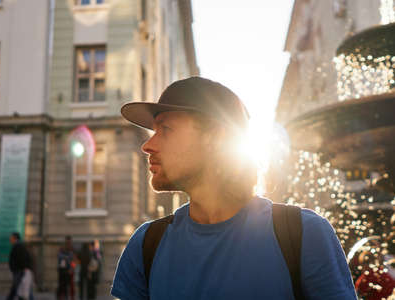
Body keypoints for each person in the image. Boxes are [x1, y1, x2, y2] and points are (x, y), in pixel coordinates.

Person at [111, 76, 357, 299]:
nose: (148, 145)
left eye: (165, 129)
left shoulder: (303, 235)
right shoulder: (146, 245)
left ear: (215, 138)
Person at [7, 232, 34, 300]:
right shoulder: (19, 245)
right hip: (20, 270)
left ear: (14, 238)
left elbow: (21, 258)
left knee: (18, 288)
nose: (10, 239)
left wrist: (24, 267)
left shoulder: (18, 246)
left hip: (19, 271)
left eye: (11, 237)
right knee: (21, 289)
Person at [57, 236, 75, 300]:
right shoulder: (62, 248)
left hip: (68, 270)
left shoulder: (71, 249)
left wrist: (72, 269)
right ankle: (61, 297)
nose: (68, 242)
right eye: (67, 241)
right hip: (62, 270)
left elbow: (73, 260)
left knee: (69, 286)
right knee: (62, 285)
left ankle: (68, 297)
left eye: (69, 241)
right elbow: (59, 257)